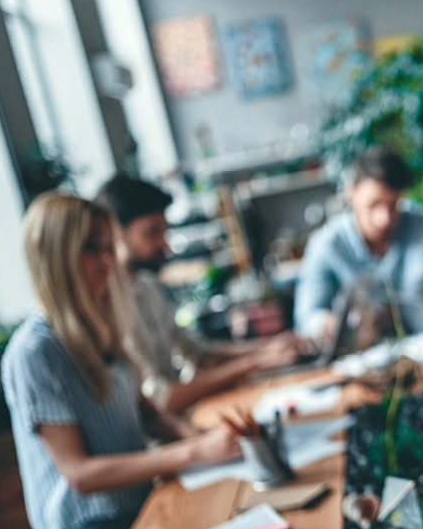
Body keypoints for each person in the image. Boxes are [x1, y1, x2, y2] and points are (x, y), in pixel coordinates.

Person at [1, 193, 241, 529]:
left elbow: (147, 415)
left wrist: (204, 441)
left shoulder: (103, 325)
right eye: (91, 246)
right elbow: (81, 474)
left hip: (139, 520)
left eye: (108, 247)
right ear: (56, 254)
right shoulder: (34, 351)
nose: (107, 260)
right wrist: (194, 451)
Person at [95, 175, 303, 414]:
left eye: (165, 231)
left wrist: (271, 347)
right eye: (152, 232)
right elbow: (160, 399)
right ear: (114, 232)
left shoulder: (146, 283)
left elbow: (198, 354)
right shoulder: (108, 304)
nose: (166, 245)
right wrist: (254, 362)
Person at [293, 146, 423, 340]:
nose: (384, 219)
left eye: (392, 205)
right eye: (374, 205)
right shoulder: (326, 245)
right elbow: (307, 318)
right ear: (351, 192)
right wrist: (331, 325)